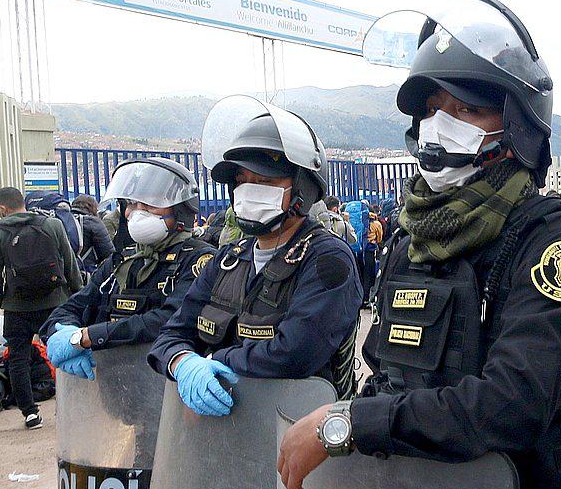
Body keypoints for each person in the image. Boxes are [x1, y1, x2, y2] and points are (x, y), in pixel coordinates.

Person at [277, 0, 561, 489]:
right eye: (429, 109)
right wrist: (349, 484)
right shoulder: (412, 242)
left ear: (516, 125)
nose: (439, 125)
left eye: (465, 108)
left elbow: (509, 407)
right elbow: (384, 374)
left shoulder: (548, 244)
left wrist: (346, 428)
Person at [148, 96, 362, 407]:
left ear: (302, 189)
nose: (248, 190)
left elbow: (295, 354)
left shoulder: (327, 260)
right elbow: (171, 334)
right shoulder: (227, 260)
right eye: (241, 181)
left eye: (264, 181)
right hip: (225, 435)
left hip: (297, 431)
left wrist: (215, 361)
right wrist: (183, 363)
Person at [41, 158, 216, 377]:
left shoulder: (200, 260)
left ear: (180, 210)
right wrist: (65, 331)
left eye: (150, 203)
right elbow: (69, 309)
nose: (138, 211)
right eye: (132, 203)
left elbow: (167, 320)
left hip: (166, 387)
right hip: (115, 385)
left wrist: (88, 336)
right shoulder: (122, 261)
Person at [0, 186, 80, 429]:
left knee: (18, 358)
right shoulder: (52, 225)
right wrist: (76, 295)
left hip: (17, 307)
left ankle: (30, 413)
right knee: (64, 353)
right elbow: (69, 264)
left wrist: (0, 299)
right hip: (54, 303)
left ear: (2, 209)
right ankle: (73, 406)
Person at [71, 194, 116, 273]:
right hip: (87, 271)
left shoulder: (65, 220)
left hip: (66, 271)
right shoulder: (93, 222)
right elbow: (108, 253)